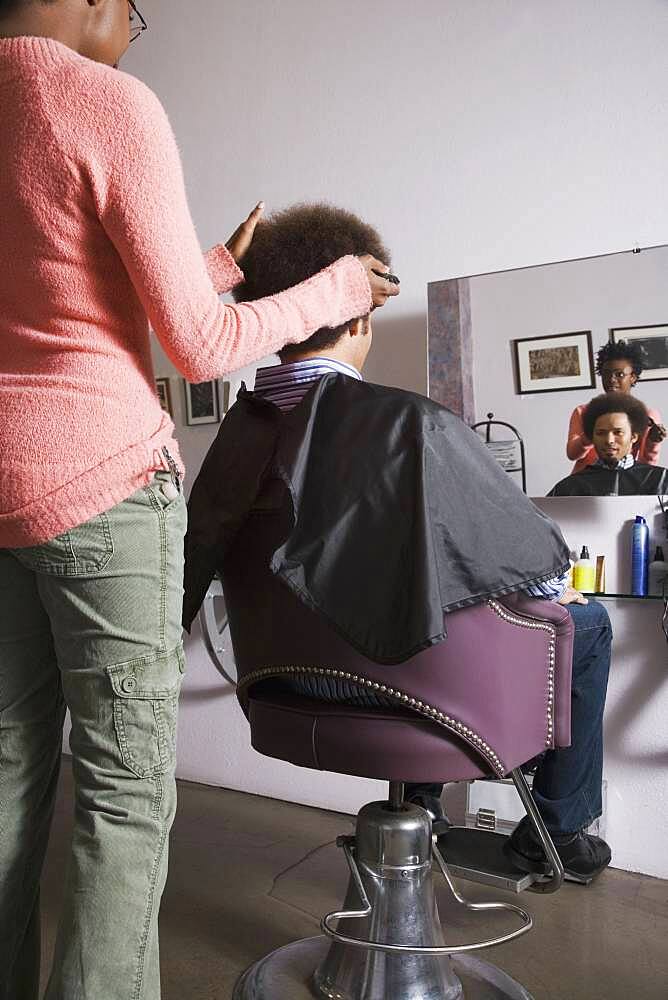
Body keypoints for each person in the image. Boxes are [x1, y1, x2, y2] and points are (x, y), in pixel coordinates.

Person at [0, 3, 399, 997]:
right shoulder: (102, 101)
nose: (132, 33)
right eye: (134, 12)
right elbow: (200, 350)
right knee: (124, 789)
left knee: (7, 768)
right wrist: (335, 285)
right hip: (98, 485)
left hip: (3, 493)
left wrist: (210, 269)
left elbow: (49, 282)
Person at [183, 203, 613, 886]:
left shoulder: (235, 438)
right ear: (360, 316)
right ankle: (556, 829)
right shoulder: (410, 425)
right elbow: (537, 579)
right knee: (583, 621)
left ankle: (425, 811)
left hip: (280, 689)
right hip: (425, 705)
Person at [566, 339, 666, 473]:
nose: (612, 380)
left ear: (633, 377)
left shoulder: (646, 416)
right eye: (606, 374)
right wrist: (590, 434)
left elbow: (645, 467)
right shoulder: (583, 412)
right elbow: (572, 454)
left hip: (626, 485)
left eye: (620, 374)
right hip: (584, 485)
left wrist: (652, 442)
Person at [552, 394, 668, 496]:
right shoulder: (570, 487)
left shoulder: (660, 480)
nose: (609, 440)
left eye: (618, 432)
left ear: (633, 437)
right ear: (592, 437)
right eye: (601, 433)